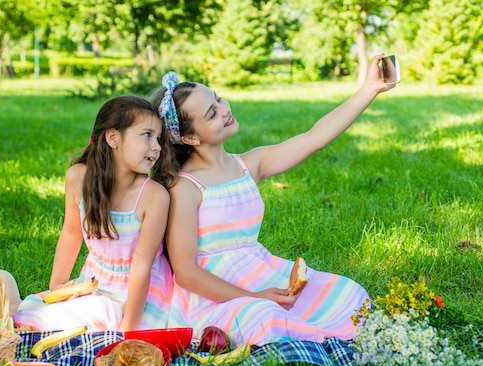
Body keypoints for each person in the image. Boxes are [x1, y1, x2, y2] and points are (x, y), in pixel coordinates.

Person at [150, 54, 394, 346]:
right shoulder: (185, 188)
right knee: (266, 317)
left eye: (219, 100)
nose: (225, 110)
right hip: (214, 295)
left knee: (348, 293)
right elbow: (187, 273)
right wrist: (252, 298)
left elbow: (315, 138)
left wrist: (370, 88)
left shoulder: (248, 164)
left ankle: (297, 324)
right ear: (190, 138)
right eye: (212, 114)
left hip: (260, 275)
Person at [14, 95, 174, 332]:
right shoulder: (79, 178)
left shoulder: (153, 196)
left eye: (159, 138)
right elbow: (71, 232)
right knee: (36, 309)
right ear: (113, 137)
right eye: (147, 134)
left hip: (142, 293)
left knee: (99, 313)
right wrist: (57, 287)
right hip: (94, 282)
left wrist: (128, 329)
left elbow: (143, 265)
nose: (157, 146)